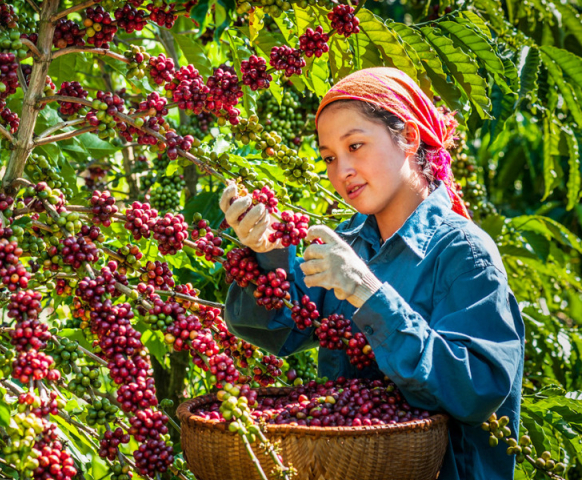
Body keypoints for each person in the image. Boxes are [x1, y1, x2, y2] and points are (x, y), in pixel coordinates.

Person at [220, 67, 525, 480]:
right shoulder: (347, 243)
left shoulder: (463, 254)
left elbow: (476, 389)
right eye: (329, 157)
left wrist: (366, 292)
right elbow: (278, 329)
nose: (341, 169)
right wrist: (267, 254)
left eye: (356, 145)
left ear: (410, 138)